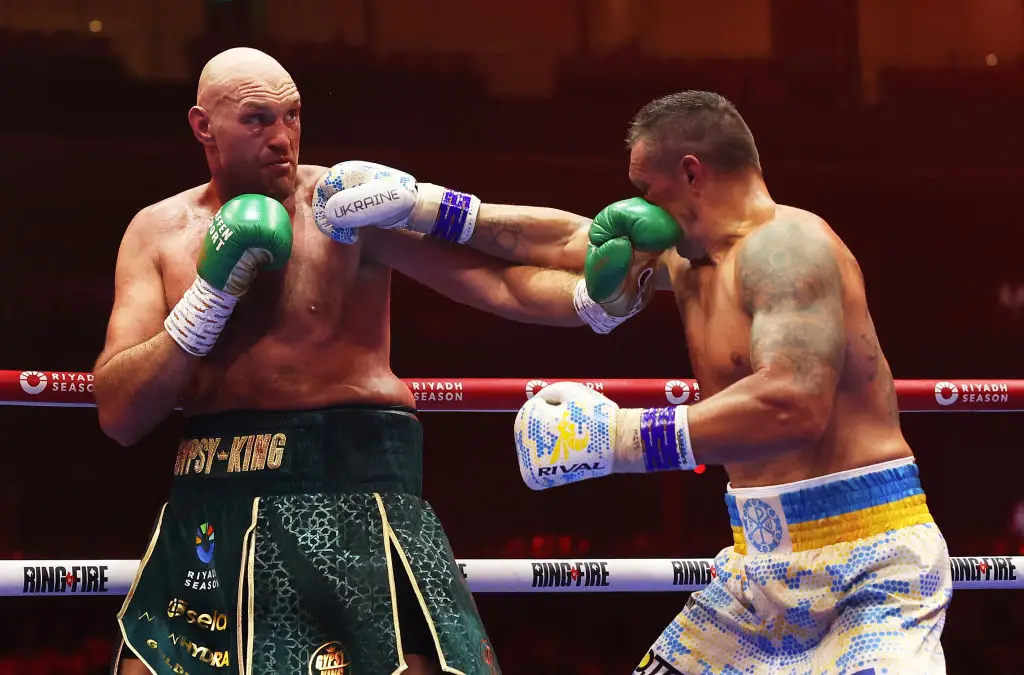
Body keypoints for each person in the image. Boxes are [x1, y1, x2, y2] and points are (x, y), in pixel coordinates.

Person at [94, 47, 655, 675]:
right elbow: (120, 412)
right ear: (203, 127)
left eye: (293, 115)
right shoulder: (156, 232)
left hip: (354, 487)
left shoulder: (345, 207)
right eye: (257, 120)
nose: (283, 138)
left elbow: (499, 284)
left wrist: (591, 299)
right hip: (211, 495)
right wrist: (208, 297)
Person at [513, 91, 952, 674]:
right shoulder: (689, 262)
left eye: (649, 191)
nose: (644, 211)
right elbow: (559, 241)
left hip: (869, 567)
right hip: (757, 573)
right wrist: (425, 212)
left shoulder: (787, 246)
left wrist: (616, 437)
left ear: (691, 172)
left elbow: (793, 404)